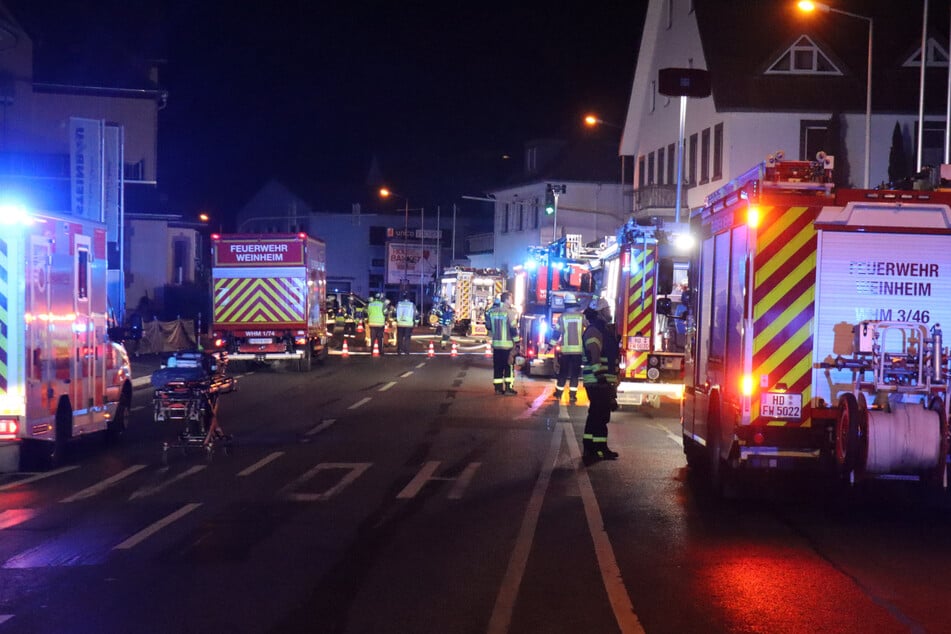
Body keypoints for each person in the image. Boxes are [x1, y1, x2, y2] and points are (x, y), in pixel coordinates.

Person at [581, 296, 620, 462]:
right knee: (599, 415)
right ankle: (598, 448)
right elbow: (594, 355)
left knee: (598, 414)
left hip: (603, 380)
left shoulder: (603, 329)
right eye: (607, 309)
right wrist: (601, 378)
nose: (610, 312)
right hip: (597, 380)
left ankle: (593, 448)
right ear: (600, 312)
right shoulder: (594, 331)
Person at [550, 293, 584, 402]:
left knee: (563, 373)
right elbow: (589, 329)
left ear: (566, 304)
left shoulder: (562, 317)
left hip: (565, 351)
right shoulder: (581, 316)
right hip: (578, 351)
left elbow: (556, 333)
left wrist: (550, 345)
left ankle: (559, 393)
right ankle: (573, 395)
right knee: (575, 374)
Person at [486, 292, 520, 395]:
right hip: (507, 346)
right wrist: (517, 342)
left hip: (496, 346)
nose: (512, 301)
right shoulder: (509, 312)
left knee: (498, 367)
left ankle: (498, 389)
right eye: (511, 298)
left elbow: (488, 326)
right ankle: (508, 388)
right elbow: (513, 329)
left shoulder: (492, 312)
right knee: (508, 367)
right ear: (506, 300)